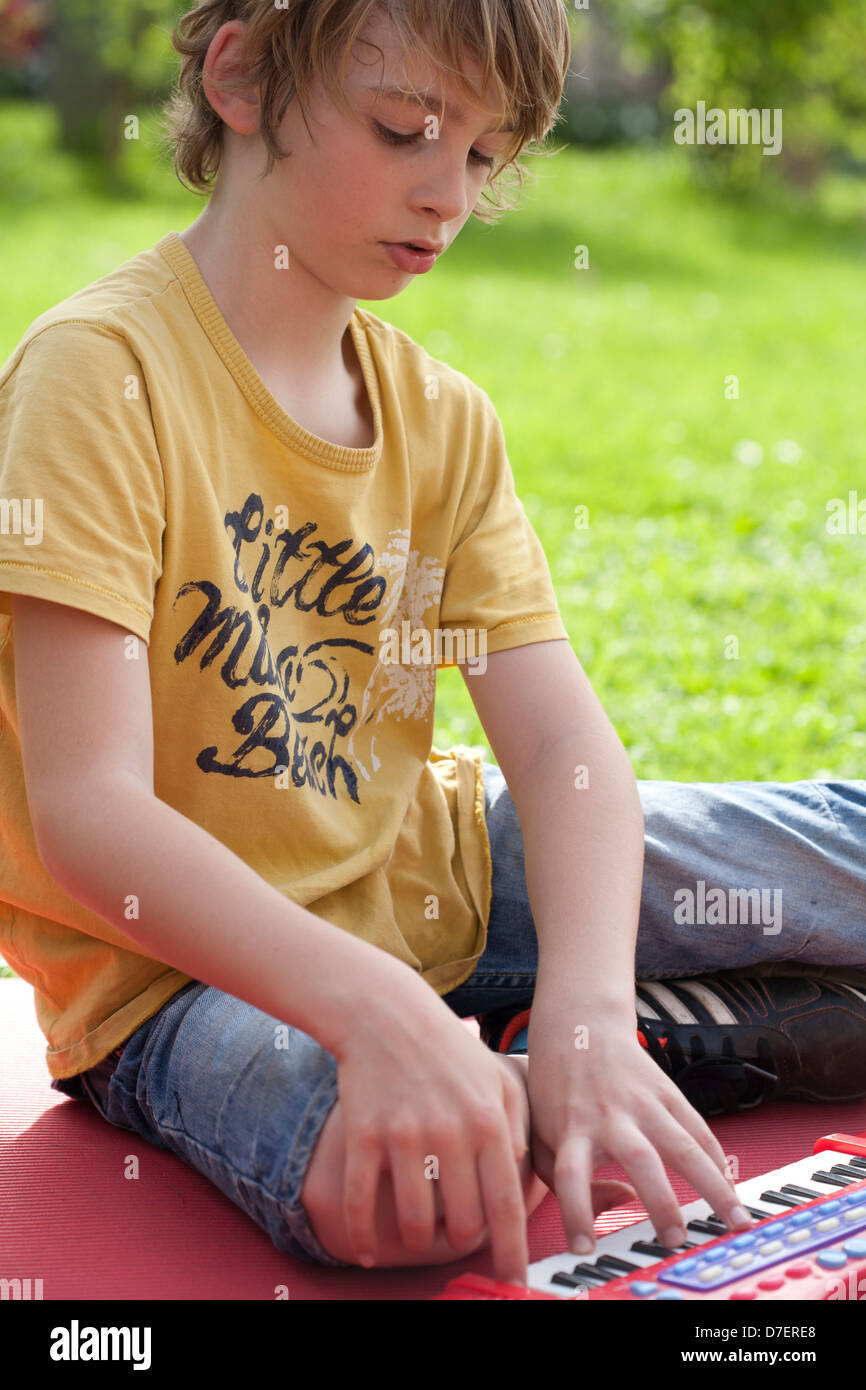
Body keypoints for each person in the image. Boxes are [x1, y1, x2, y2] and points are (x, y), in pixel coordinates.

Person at [1, 0, 865, 1292]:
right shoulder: (97, 374)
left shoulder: (443, 418)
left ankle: (594, 1039)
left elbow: (566, 750)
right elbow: (90, 814)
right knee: (419, 1186)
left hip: (432, 870)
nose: (448, 196)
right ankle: (555, 1059)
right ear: (241, 76)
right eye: (406, 129)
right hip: (174, 983)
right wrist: (385, 1010)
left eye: (482, 154)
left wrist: (586, 1004)